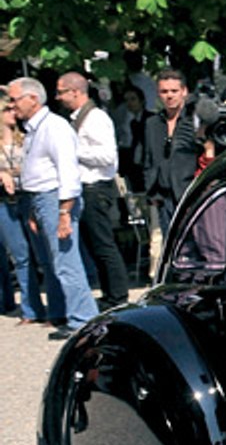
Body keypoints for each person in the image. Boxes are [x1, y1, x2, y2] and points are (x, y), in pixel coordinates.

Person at [6, 76, 99, 337]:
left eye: (15, 100)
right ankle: (67, 313)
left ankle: (83, 318)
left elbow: (68, 172)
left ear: (32, 99)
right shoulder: (36, 129)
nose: (12, 106)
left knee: (66, 262)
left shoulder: (55, 127)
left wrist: (64, 212)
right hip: (41, 199)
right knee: (55, 262)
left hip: (55, 198)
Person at [55, 72, 129, 307]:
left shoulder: (95, 118)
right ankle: (109, 294)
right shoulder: (77, 118)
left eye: (61, 92)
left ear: (75, 92)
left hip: (96, 188)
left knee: (103, 243)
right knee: (94, 245)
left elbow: (108, 157)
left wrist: (72, 151)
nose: (58, 97)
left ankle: (118, 295)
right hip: (84, 188)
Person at [142, 68, 201, 237]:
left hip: (189, 194)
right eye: (164, 91)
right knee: (170, 246)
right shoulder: (152, 123)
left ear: (184, 92)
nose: (169, 96)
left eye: (174, 91)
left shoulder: (193, 122)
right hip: (162, 197)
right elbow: (148, 159)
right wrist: (151, 190)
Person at [0, 95, 43, 322]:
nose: (12, 112)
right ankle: (30, 309)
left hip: (26, 198)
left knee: (37, 253)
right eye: (7, 109)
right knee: (20, 255)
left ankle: (43, 307)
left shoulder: (26, 139)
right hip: (4, 203)